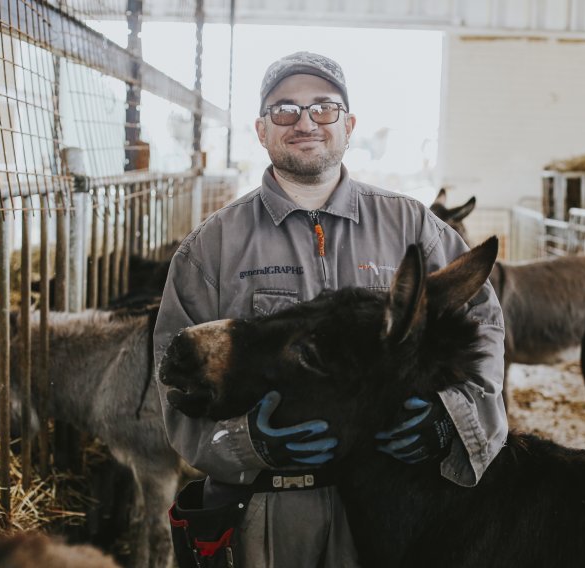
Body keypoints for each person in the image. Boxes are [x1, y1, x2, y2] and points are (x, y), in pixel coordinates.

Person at [153, 51, 508, 567]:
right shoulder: (212, 248)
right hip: (268, 515)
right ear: (260, 129)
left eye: (323, 108)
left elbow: (484, 326)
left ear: (349, 125)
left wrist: (453, 421)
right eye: (284, 110)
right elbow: (174, 381)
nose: (304, 123)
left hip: (397, 506)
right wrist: (247, 444)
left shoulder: (412, 227)